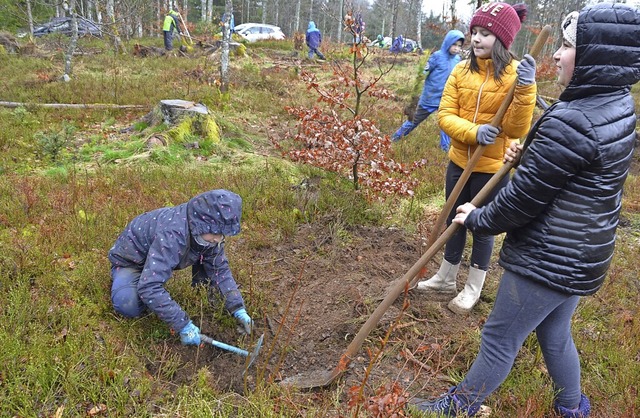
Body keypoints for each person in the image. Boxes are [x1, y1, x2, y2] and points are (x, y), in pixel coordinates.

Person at [411, 3, 640, 416]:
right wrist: (534, 152)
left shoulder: (573, 119)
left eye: (568, 45)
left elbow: (523, 200)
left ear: (596, 55)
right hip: (583, 253)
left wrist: (476, 217)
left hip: (549, 255)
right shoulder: (616, 105)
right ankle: (572, 407)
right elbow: (577, 171)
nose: (556, 53)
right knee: (555, 334)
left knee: (500, 338)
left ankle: (454, 408)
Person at [414, 2, 536, 315]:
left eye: (485, 34)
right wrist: (473, 131)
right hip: (459, 162)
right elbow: (445, 115)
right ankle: (445, 277)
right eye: (475, 32)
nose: (477, 39)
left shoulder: (513, 75)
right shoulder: (460, 69)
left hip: (491, 169)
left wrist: (526, 88)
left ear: (503, 40)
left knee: (482, 227)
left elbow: (516, 128)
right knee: (455, 217)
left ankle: (473, 288)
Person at [108, 189, 254, 346]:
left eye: (222, 233)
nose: (219, 238)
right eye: (215, 232)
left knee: (210, 256)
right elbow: (149, 286)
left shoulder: (206, 232)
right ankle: (137, 289)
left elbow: (220, 269)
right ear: (201, 223)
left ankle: (197, 297)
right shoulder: (173, 234)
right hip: (132, 260)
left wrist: (238, 307)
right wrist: (182, 325)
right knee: (128, 303)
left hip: (163, 250)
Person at [391, 29, 465, 147]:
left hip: (446, 98)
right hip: (430, 97)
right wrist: (417, 88)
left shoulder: (457, 60)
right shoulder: (437, 56)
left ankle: (445, 148)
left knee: (446, 123)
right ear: (448, 43)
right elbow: (424, 72)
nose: (456, 48)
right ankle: (394, 138)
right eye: (454, 45)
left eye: (459, 46)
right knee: (414, 120)